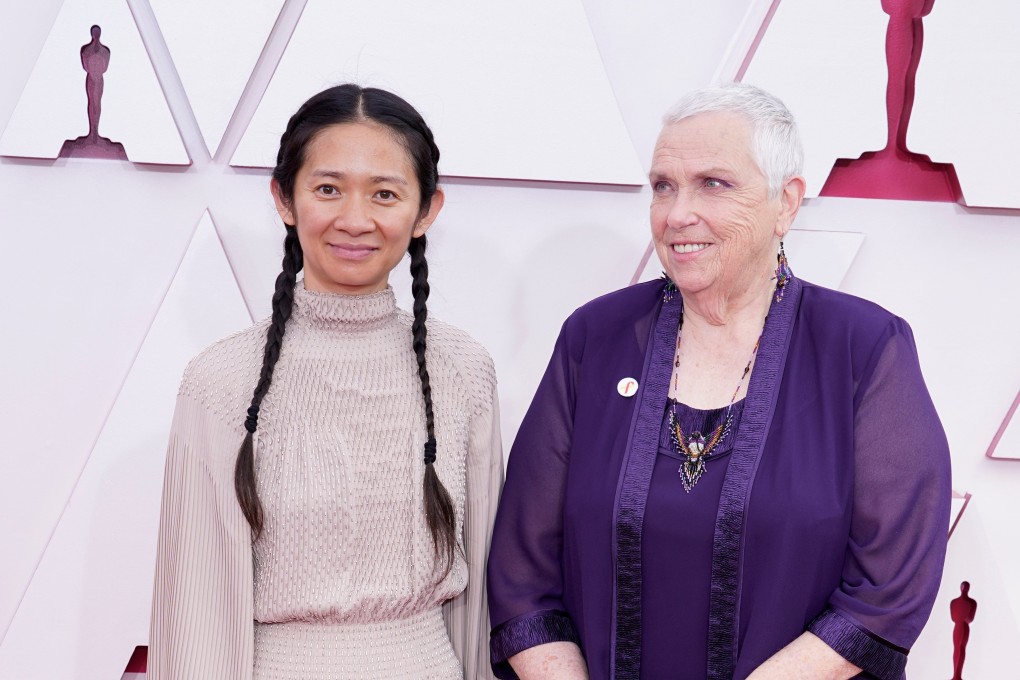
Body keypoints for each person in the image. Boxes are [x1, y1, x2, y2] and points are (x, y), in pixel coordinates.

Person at [487, 83, 950, 680]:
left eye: (714, 183)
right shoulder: (594, 339)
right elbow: (523, 575)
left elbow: (889, 588)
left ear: (785, 203)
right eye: (663, 187)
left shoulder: (863, 348)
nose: (678, 214)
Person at [149, 84, 502, 679]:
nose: (355, 219)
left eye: (385, 194)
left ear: (426, 212)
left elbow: (484, 604)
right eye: (328, 189)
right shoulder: (222, 380)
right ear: (284, 199)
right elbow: (195, 616)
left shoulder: (462, 369)